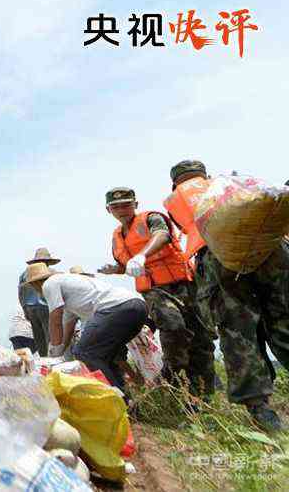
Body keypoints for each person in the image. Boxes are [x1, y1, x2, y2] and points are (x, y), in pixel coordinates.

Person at [164, 160, 289, 432]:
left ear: (175, 184)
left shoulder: (175, 200)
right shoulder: (228, 184)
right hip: (272, 250)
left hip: (218, 258)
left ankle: (260, 409)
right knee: (283, 320)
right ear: (205, 175)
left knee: (237, 330)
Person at [98, 186, 216, 397]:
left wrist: (141, 256)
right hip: (154, 290)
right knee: (173, 326)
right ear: (109, 210)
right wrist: (114, 269)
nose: (122, 210)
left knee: (201, 339)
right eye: (116, 207)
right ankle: (172, 379)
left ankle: (203, 395)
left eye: (126, 205)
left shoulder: (151, 219)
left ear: (135, 204)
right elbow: (127, 265)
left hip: (184, 285)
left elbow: (162, 235)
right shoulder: (116, 237)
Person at [25, 262, 147, 396]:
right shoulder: (69, 292)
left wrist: (53, 352)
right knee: (108, 357)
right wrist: (59, 351)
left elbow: (55, 319)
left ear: (35, 284)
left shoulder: (49, 284)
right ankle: (126, 401)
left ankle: (116, 398)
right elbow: (68, 327)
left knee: (84, 353)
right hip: (138, 307)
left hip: (117, 308)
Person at [18, 247, 60, 355]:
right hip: (46, 307)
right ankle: (51, 358)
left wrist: (25, 309)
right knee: (50, 335)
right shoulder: (51, 272)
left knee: (38, 337)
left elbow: (21, 293)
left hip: (30, 308)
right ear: (48, 261)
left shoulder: (25, 274)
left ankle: (43, 358)